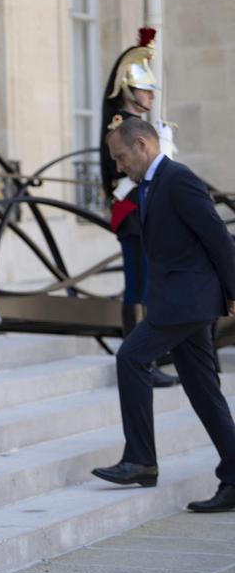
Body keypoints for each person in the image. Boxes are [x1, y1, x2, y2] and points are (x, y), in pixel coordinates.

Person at [92, 118, 235, 513]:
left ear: (141, 145)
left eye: (121, 157)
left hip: (187, 301)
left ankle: (141, 459)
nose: (119, 166)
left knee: (131, 357)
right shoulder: (151, 183)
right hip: (178, 300)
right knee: (203, 391)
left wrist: (233, 292)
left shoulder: (178, 178)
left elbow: (218, 238)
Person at [100, 28, 179, 387]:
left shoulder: (138, 124)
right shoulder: (120, 125)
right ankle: (139, 359)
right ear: (129, 90)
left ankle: (147, 357)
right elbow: (125, 173)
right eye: (144, 89)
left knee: (149, 285)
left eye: (150, 90)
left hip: (147, 210)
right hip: (131, 211)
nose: (149, 95)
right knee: (138, 286)